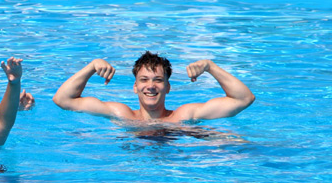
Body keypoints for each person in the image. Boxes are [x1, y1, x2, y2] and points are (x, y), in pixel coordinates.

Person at [53, 51, 255, 122]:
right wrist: (91, 66)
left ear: (168, 87)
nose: (150, 86)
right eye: (144, 80)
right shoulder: (121, 114)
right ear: (135, 87)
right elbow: (62, 100)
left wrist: (211, 67)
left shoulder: (183, 116)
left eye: (158, 80)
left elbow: (244, 99)